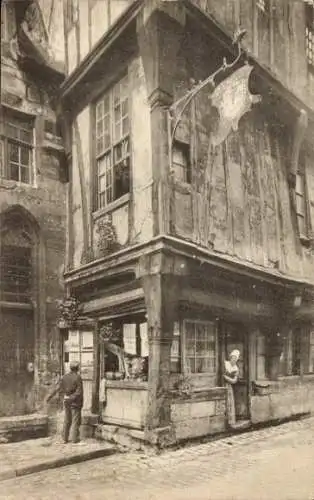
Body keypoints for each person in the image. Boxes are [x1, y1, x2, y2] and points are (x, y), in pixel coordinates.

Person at [45, 360, 83, 444]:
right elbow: (79, 392)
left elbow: (58, 388)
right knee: (75, 420)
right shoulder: (78, 377)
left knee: (67, 420)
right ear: (77, 368)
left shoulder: (64, 377)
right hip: (75, 402)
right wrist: (71, 398)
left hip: (66, 401)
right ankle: (74, 439)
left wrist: (49, 396)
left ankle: (64, 438)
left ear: (70, 368)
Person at [223, 349, 240, 428]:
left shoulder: (236, 368)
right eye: (233, 358)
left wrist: (226, 378)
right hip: (222, 384)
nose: (234, 360)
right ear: (230, 357)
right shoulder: (225, 363)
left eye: (236, 358)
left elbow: (234, 380)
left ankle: (230, 421)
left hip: (228, 386)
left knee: (229, 402)